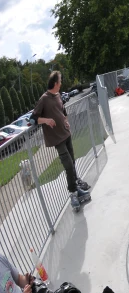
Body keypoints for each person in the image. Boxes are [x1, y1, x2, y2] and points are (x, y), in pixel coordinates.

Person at [32, 71, 91, 211]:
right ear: (55, 83)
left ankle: (76, 188)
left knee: (73, 161)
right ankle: (73, 194)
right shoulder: (44, 99)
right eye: (60, 81)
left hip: (66, 134)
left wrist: (65, 120)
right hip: (57, 139)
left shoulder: (58, 95)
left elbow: (63, 111)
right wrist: (46, 120)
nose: (61, 83)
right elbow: (33, 118)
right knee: (68, 166)